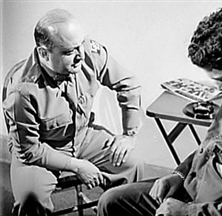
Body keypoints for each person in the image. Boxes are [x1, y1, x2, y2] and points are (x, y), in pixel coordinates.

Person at [97, 7, 222, 216]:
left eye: (221, 79)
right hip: (195, 186)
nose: (221, 88)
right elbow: (212, 143)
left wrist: (188, 212)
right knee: (111, 202)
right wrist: (180, 174)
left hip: (217, 208)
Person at [3, 8, 144, 216]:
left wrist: (129, 135)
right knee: (30, 198)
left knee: (133, 163)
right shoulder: (22, 91)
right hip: (42, 151)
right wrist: (78, 167)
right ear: (44, 53)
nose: (80, 56)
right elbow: (29, 150)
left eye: (80, 46)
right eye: (69, 52)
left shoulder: (87, 54)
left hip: (82, 137)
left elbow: (129, 84)